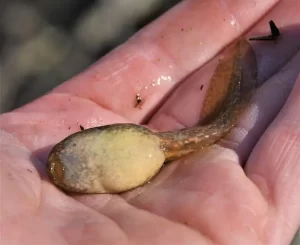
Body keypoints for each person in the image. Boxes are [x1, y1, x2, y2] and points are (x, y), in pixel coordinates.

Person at [1, 0, 299, 244]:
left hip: (148, 149)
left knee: (216, 123)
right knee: (215, 124)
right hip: (147, 150)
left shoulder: (149, 149)